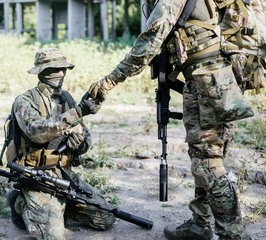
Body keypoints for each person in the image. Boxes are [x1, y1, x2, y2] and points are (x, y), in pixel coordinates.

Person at [87, 0, 255, 239]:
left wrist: (109, 81)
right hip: (220, 80)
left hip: (207, 83)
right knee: (206, 157)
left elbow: (148, 44)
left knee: (207, 164)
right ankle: (200, 224)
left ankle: (233, 235)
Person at [6, 48, 115, 240]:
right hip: (36, 175)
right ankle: (20, 202)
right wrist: (78, 112)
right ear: (41, 71)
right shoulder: (25, 101)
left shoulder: (66, 99)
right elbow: (37, 132)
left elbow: (86, 138)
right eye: (55, 69)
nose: (61, 73)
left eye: (64, 68)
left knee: (105, 217)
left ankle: (57, 208)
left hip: (63, 174)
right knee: (54, 236)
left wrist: (78, 142)